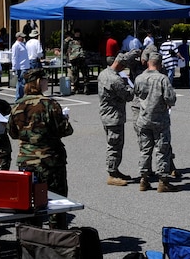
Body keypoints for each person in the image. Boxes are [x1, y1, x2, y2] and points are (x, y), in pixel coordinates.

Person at [9, 68, 74, 228]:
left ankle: (32, 237)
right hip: (50, 161)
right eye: (44, 79)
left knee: (30, 202)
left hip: (27, 162)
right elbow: (65, 130)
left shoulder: (18, 105)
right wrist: (65, 119)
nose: (47, 81)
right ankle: (57, 238)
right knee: (56, 203)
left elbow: (13, 133)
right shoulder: (50, 104)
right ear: (38, 82)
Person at [133, 53, 179, 193]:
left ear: (148, 63)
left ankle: (144, 179)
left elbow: (136, 94)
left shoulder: (139, 78)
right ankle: (163, 181)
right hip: (160, 120)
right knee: (162, 150)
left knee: (145, 150)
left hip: (143, 118)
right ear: (159, 64)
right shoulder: (162, 79)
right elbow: (170, 99)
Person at [98, 50, 139, 186]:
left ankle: (115, 171)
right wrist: (132, 84)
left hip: (107, 114)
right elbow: (128, 96)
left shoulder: (104, 73)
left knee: (115, 143)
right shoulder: (115, 79)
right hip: (114, 116)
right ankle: (112, 173)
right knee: (115, 145)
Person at [64, 29, 89, 94]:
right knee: (75, 74)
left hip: (81, 58)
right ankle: (76, 87)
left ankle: (86, 87)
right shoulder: (70, 41)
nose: (77, 35)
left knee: (84, 74)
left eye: (78, 33)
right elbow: (65, 48)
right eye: (76, 33)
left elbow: (85, 48)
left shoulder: (82, 40)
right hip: (74, 59)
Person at [11, 31, 30, 100]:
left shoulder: (22, 44)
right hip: (21, 67)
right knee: (21, 83)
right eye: (22, 37)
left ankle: (21, 97)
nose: (23, 38)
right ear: (18, 37)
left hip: (25, 66)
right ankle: (18, 98)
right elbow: (14, 57)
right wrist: (14, 67)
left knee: (23, 83)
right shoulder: (16, 45)